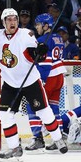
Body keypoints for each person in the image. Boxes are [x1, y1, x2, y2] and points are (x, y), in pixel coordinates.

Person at [0, 8, 68, 162]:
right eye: (9, 19)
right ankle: (15, 147)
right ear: (3, 22)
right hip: (10, 83)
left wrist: (40, 52)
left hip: (30, 81)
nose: (13, 22)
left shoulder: (26, 34)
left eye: (15, 19)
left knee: (43, 111)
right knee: (4, 115)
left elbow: (36, 55)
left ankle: (58, 138)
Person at [25, 13, 66, 152]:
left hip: (49, 76)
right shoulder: (58, 37)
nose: (36, 27)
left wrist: (41, 79)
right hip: (59, 75)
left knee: (33, 105)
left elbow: (46, 62)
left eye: (38, 24)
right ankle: (58, 139)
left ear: (46, 25)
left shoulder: (43, 39)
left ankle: (38, 139)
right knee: (54, 108)